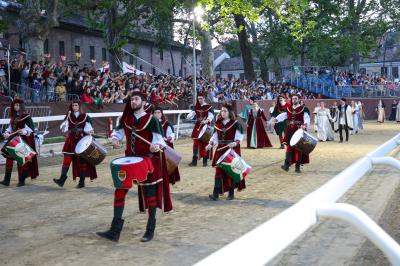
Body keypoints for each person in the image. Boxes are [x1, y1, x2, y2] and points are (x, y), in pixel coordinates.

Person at [97, 91, 172, 242]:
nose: (133, 101)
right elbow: (117, 134)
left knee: (149, 194)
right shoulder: (126, 119)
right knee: (120, 190)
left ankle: (150, 230)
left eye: (136, 99)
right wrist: (115, 140)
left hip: (147, 160)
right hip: (129, 159)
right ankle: (115, 230)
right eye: (132, 99)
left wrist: (155, 146)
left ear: (143, 102)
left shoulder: (152, 120)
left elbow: (160, 141)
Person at [53, 101, 97, 188]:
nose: (74, 107)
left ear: (79, 106)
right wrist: (63, 128)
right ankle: (62, 179)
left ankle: (82, 182)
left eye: (76, 105)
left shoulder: (85, 116)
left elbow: (88, 128)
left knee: (81, 160)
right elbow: (65, 127)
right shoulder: (69, 116)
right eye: (73, 105)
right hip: (71, 139)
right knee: (67, 158)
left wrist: (90, 131)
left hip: (81, 139)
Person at [206, 104, 244, 200]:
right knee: (218, 172)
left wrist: (235, 143)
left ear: (230, 113)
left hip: (231, 150)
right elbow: (214, 138)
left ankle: (231, 194)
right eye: (222, 111)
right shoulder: (218, 124)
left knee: (230, 172)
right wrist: (210, 144)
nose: (223, 113)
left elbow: (239, 138)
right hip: (220, 150)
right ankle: (215, 194)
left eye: (225, 111)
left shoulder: (235, 124)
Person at [0, 98, 39, 186]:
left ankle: (21, 181)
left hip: (22, 141)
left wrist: (24, 131)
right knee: (9, 158)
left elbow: (31, 129)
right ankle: (6, 180)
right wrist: (7, 133)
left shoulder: (26, 116)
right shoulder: (13, 117)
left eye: (18, 105)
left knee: (20, 160)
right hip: (13, 140)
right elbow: (10, 128)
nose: (16, 107)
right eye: (15, 105)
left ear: (21, 106)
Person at [274, 94, 310, 173]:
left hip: (299, 129)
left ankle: (297, 167)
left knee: (299, 148)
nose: (294, 100)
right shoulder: (289, 108)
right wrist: (277, 119)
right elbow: (284, 115)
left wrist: (305, 125)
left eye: (296, 99)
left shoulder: (303, 108)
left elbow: (306, 118)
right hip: (290, 129)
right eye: (293, 99)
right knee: (289, 147)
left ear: (299, 99)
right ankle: (286, 165)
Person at [153, 106, 180, 184]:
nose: (156, 114)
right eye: (155, 113)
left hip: (165, 147)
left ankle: (167, 181)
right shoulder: (151, 123)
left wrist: (167, 139)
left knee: (166, 166)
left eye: (158, 112)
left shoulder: (166, 123)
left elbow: (172, 135)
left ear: (161, 114)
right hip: (154, 148)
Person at [186, 93, 214, 167]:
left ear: (204, 98)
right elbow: (191, 114)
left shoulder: (208, 107)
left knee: (204, 143)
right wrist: (189, 116)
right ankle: (194, 161)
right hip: (197, 126)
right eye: (199, 99)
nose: (200, 100)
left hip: (205, 127)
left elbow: (211, 116)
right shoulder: (196, 107)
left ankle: (205, 161)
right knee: (195, 143)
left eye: (201, 98)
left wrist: (206, 120)